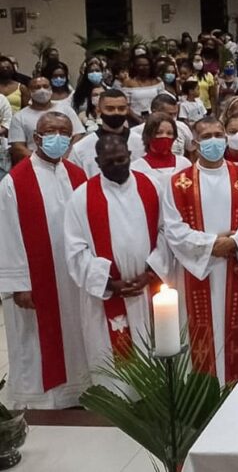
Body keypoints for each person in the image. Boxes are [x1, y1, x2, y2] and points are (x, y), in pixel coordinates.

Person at [152, 117, 238, 386]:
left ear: (226, 139)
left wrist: (235, 242)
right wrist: (211, 245)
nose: (213, 141)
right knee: (199, 337)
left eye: (218, 134)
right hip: (198, 269)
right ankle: (200, 396)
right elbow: (172, 227)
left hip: (235, 265)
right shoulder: (178, 182)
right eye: (206, 136)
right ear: (195, 142)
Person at [0, 112, 90, 408]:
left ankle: (77, 391)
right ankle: (38, 397)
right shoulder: (14, 182)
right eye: (50, 131)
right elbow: (7, 235)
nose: (57, 137)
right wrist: (19, 283)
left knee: (75, 331)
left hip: (71, 275)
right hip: (34, 278)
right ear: (36, 138)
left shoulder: (78, 175)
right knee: (33, 336)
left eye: (63, 132)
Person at [64, 135, 163, 387]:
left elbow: (167, 232)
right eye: (109, 161)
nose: (117, 165)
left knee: (156, 347)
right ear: (97, 162)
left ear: (130, 156)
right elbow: (75, 249)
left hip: (147, 290)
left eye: (122, 159)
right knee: (114, 365)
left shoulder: (150, 186)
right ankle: (116, 405)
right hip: (107, 295)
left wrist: (151, 272)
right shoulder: (81, 197)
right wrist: (108, 283)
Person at [68, 89, 145, 177]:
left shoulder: (141, 143)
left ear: (127, 110)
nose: (116, 112)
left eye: (121, 108)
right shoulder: (80, 148)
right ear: (99, 110)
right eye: (110, 109)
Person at [8, 76, 85, 164]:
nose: (42, 90)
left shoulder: (66, 109)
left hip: (67, 160)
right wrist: (41, 161)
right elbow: (18, 147)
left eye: (45, 86)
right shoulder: (19, 117)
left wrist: (66, 156)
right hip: (35, 163)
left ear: (51, 89)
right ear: (30, 91)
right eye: (37, 87)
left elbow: (78, 135)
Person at [130, 114, 191, 185]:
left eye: (169, 133)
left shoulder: (185, 164)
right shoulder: (135, 168)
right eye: (158, 133)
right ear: (148, 135)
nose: (164, 136)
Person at [121, 54, 163, 123]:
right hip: (134, 119)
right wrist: (139, 120)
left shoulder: (157, 81)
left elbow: (162, 101)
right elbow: (125, 105)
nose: (143, 68)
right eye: (139, 65)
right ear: (135, 67)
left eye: (146, 65)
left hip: (155, 118)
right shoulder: (128, 83)